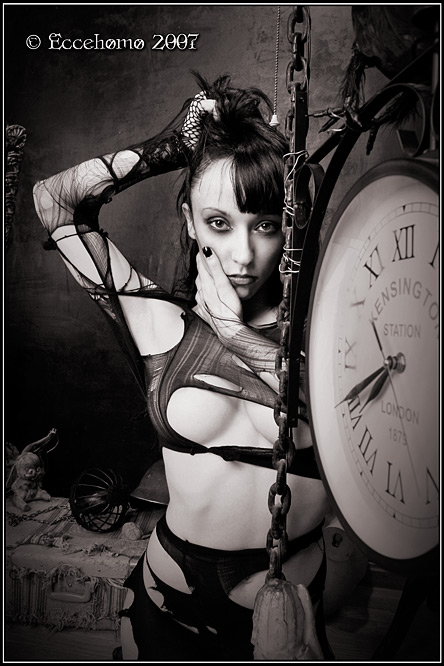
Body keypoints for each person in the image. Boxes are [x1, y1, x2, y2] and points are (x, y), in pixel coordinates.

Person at [33, 73, 344, 661]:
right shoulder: (159, 322)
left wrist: (235, 333)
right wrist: (172, 148)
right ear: (190, 221)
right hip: (166, 595)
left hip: (285, 613)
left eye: (265, 224)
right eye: (219, 223)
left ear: (289, 226)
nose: (243, 254)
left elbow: (339, 420)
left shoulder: (333, 331)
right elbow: (53, 201)